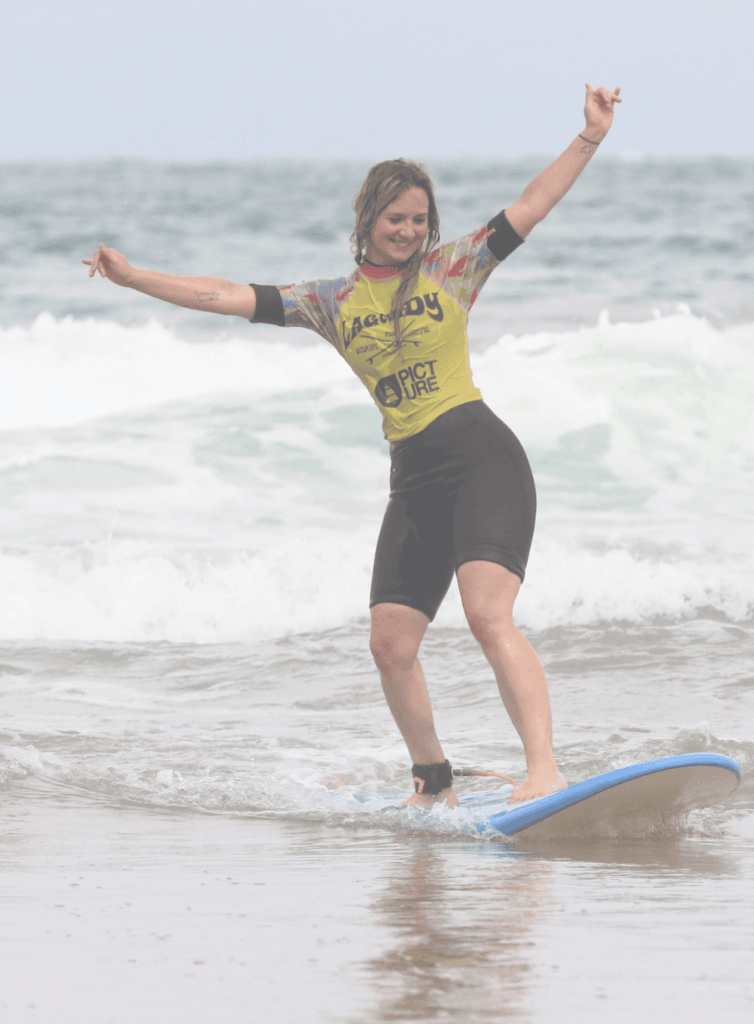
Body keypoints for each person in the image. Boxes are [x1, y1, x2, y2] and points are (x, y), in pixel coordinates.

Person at [85, 83, 622, 808]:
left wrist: (588, 135)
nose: (407, 230)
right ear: (368, 219)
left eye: (418, 219)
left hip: (481, 459)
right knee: (390, 647)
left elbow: (532, 203)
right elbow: (224, 293)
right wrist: (134, 277)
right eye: (395, 218)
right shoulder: (330, 302)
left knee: (487, 614)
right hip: (415, 478)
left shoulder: (453, 269)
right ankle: (433, 782)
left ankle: (543, 772)